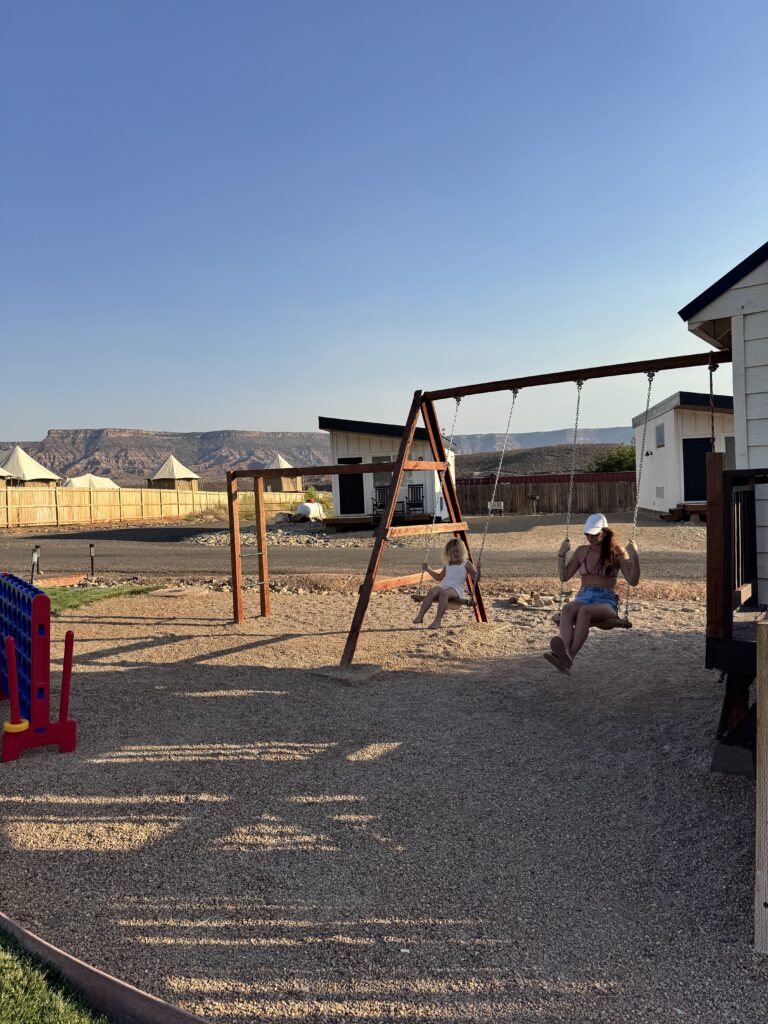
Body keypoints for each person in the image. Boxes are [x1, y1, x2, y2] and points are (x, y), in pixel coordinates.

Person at [544, 512, 640, 674]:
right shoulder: (582, 551)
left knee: (584, 611)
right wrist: (561, 554)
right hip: (583, 596)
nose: (590, 538)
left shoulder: (617, 552)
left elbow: (633, 580)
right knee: (567, 608)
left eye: (594, 534)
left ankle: (569, 657)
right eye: (587, 534)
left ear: (604, 532)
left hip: (605, 601)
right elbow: (564, 576)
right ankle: (563, 652)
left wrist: (634, 555)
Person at [413, 538, 478, 629]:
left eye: (457, 551)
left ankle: (437, 621)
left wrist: (478, 571)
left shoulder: (466, 563)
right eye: (452, 552)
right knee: (432, 591)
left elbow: (476, 578)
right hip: (444, 587)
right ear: (448, 553)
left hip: (456, 590)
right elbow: (439, 577)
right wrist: (428, 569)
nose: (455, 554)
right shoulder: (448, 564)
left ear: (462, 551)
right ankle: (420, 616)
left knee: (444, 594)